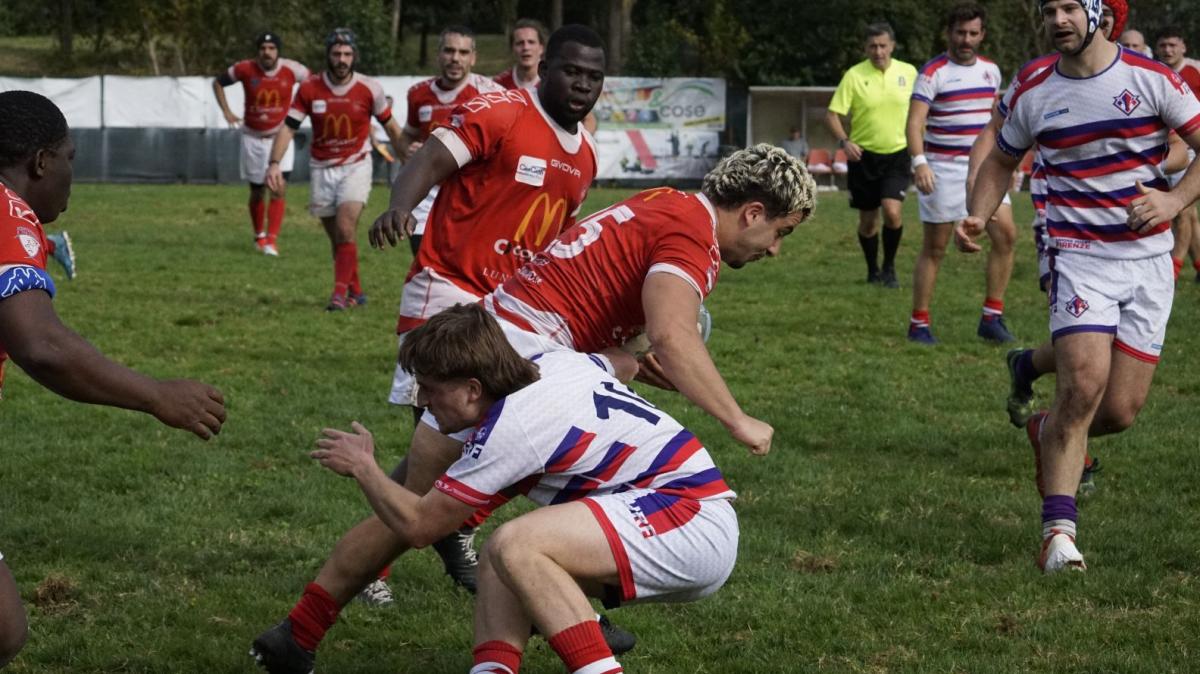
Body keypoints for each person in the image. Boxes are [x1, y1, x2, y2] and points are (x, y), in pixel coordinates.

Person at [248, 144, 816, 673]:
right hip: (525, 354)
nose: (773, 249)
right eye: (779, 233)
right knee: (426, 514)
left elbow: (616, 311)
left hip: (516, 334)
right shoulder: (694, 236)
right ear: (753, 212)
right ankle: (570, 618)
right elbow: (671, 333)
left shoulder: (668, 202)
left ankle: (300, 632)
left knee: (466, 506)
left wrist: (631, 361)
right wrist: (737, 419)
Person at [309, 304, 738, 674]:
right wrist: (638, 355)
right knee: (499, 557)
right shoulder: (556, 362)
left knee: (519, 544)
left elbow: (421, 527)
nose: (422, 401)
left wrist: (364, 468)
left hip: (687, 519)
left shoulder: (515, 426)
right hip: (681, 513)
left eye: (433, 389)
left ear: (473, 388)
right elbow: (619, 363)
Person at [957, 0, 1200, 573]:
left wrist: (1173, 198)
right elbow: (1001, 159)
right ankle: (1057, 536)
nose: (1057, 19)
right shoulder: (1033, 85)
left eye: (1070, 7)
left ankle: (1044, 424)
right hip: (1076, 254)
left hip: (1146, 261)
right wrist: (979, 211)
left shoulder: (1153, 80)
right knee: (1084, 387)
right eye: (1049, 10)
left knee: (1117, 412)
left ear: (1101, 13)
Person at [0, 90, 227, 668]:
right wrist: (156, 395)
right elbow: (41, 344)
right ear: (42, 162)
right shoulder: (8, 216)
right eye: (70, 156)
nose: (74, 172)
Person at [265, 28, 405, 311]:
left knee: (344, 227)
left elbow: (391, 127)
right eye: (337, 54)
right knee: (340, 240)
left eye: (347, 54)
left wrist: (413, 162)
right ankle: (356, 290)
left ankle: (339, 296)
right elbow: (289, 127)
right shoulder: (309, 89)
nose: (342, 59)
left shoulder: (370, 88)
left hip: (356, 165)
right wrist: (274, 164)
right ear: (328, 55)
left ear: (354, 57)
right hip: (321, 168)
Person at [906, 2, 1015, 345]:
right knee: (935, 248)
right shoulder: (932, 72)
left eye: (972, 33)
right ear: (948, 33)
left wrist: (1007, 163)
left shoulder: (992, 71)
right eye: (959, 32)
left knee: (1007, 237)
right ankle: (919, 323)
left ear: (982, 35)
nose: (965, 39)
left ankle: (991, 317)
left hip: (985, 169)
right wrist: (919, 162)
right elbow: (914, 123)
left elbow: (995, 121)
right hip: (941, 169)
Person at [394, 26, 506, 255]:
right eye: (449, 51)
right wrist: (408, 149)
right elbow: (408, 135)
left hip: (471, 195)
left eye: (463, 53)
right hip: (427, 191)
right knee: (423, 259)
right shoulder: (418, 94)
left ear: (473, 58)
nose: (455, 58)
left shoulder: (491, 94)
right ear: (438, 54)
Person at [826, 22, 917, 288]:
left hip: (898, 154)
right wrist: (845, 142)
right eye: (873, 46)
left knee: (892, 212)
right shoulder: (854, 76)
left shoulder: (909, 72)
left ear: (892, 46)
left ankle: (889, 268)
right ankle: (872, 270)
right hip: (863, 158)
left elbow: (923, 108)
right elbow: (832, 115)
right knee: (868, 222)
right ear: (865, 48)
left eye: (883, 45)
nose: (878, 51)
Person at [213, 31, 309, 256]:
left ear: (278, 51)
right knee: (257, 190)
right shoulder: (245, 69)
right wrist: (226, 111)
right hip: (253, 138)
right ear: (258, 51)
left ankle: (272, 240)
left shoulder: (293, 70)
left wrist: (300, 111)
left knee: (278, 188)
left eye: (271, 48)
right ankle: (259, 236)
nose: (267, 52)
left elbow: (312, 85)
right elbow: (218, 82)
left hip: (280, 137)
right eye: (263, 48)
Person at [1155, 28, 1200, 281]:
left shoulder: (1195, 71)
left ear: (1183, 46)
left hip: (1193, 147)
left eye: (1173, 45)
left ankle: (1173, 270)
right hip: (1164, 147)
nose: (1168, 50)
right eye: (1163, 45)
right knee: (1190, 216)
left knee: (1184, 211)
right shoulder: (1152, 73)